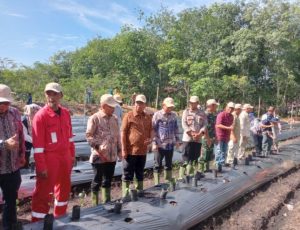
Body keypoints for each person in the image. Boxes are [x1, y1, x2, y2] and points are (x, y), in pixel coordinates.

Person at [31, 83, 75, 222]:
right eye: (48, 93)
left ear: (61, 95)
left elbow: (69, 137)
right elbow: (37, 146)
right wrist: (41, 167)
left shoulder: (66, 113)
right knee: (43, 192)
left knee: (64, 190)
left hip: (65, 157)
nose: (51, 97)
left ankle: (60, 218)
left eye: (55, 94)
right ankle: (37, 223)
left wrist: (72, 155)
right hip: (49, 158)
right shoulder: (40, 116)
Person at [86, 94, 121, 205]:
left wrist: (120, 150)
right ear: (104, 106)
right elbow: (88, 136)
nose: (113, 108)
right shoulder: (95, 118)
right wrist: (98, 146)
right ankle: (94, 205)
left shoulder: (115, 118)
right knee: (97, 181)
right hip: (99, 157)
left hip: (112, 156)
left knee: (108, 181)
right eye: (111, 106)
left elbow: (117, 136)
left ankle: (107, 202)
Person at [0, 84, 25, 230]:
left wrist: (22, 155)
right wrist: (3, 144)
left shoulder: (15, 113)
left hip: (12, 167)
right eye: (0, 103)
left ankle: (9, 226)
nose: (3, 106)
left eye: (6, 103)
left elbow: (21, 135)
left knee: (11, 200)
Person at [121, 94, 152, 198]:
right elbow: (123, 133)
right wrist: (124, 149)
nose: (139, 105)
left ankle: (139, 193)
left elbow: (151, 130)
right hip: (131, 150)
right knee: (127, 174)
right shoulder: (128, 116)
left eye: (141, 103)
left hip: (142, 151)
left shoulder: (147, 117)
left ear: (145, 105)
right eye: (137, 103)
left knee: (140, 173)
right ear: (135, 104)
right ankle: (126, 195)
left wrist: (150, 139)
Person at [152, 97, 180, 185]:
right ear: (163, 105)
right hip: (159, 144)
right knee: (157, 165)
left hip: (170, 144)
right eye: (168, 107)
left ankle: (168, 181)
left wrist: (177, 140)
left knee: (168, 164)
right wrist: (154, 143)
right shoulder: (157, 115)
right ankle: (157, 184)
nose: (170, 109)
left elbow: (176, 129)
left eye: (171, 107)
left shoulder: (174, 115)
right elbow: (153, 130)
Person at [180, 96, 207, 178]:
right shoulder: (186, 112)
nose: (192, 104)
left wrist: (199, 134)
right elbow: (184, 124)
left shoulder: (202, 113)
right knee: (186, 157)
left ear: (197, 103)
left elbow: (205, 124)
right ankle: (182, 176)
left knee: (195, 157)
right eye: (191, 103)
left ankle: (190, 175)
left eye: (194, 103)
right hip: (188, 138)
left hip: (198, 139)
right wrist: (191, 134)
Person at [199, 99, 219, 173]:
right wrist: (208, 139)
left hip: (212, 136)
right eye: (215, 105)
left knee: (209, 153)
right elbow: (204, 127)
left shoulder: (214, 114)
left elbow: (215, 126)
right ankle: (201, 170)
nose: (216, 107)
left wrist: (215, 137)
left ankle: (206, 168)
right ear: (211, 105)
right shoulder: (205, 114)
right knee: (204, 153)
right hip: (205, 137)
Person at [215, 102, 234, 172]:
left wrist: (230, 133)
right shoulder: (221, 115)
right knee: (219, 150)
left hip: (226, 136)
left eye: (232, 108)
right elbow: (218, 125)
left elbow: (231, 127)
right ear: (226, 107)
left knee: (224, 151)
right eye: (229, 108)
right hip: (220, 135)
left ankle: (221, 165)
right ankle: (218, 165)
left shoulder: (231, 116)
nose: (230, 109)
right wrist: (228, 128)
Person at [22, 104, 41, 169]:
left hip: (38, 139)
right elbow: (24, 135)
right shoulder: (23, 121)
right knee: (26, 155)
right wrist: (34, 140)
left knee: (40, 154)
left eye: (36, 113)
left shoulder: (40, 119)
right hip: (26, 141)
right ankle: (26, 167)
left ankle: (39, 167)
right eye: (32, 113)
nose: (34, 115)